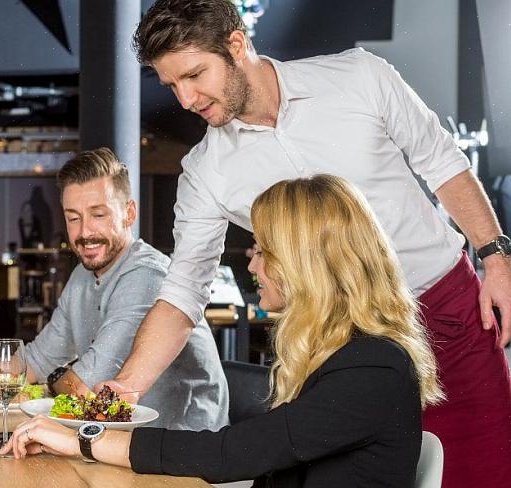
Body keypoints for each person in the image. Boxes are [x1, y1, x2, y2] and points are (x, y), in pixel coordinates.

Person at [99, 2, 511, 486]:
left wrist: (497, 260)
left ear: (236, 44)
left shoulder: (360, 77)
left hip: (446, 308)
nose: (186, 98)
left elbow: (442, 163)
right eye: (172, 85)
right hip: (341, 349)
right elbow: (184, 291)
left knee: (487, 471)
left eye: (194, 74)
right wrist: (126, 387)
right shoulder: (205, 172)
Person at [3, 175, 444, 488]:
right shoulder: (344, 355)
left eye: (264, 252)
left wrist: (83, 440)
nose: (252, 265)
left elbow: (232, 453)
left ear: (309, 264)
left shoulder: (373, 367)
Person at [0, 148, 228, 430]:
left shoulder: (144, 277)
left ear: (129, 213)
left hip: (181, 444)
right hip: (119, 437)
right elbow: (34, 361)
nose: (85, 232)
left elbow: (81, 392)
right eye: (73, 218)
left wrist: (55, 375)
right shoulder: (83, 276)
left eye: (98, 215)